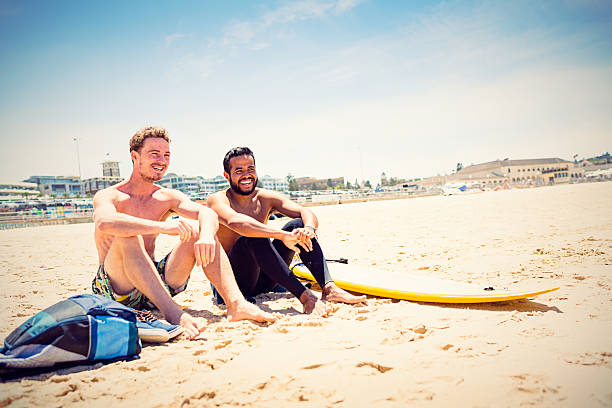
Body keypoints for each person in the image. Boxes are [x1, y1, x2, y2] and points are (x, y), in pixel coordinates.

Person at [92, 127, 275, 340]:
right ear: (135, 156)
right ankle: (174, 314)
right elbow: (105, 222)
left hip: (155, 286)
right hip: (116, 289)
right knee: (129, 236)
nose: (162, 160)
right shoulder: (110, 195)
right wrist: (162, 227)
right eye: (154, 154)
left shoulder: (165, 197)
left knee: (200, 228)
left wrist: (206, 235)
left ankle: (237, 305)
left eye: (166, 155)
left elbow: (206, 212)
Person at [207, 147, 366, 315]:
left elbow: (305, 212)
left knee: (297, 225)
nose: (246, 175)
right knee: (255, 236)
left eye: (250, 169)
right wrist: (281, 235)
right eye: (239, 171)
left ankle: (329, 288)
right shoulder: (217, 200)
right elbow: (236, 222)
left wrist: (308, 229)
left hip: (264, 278)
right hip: (233, 282)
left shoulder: (265, 197)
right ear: (227, 176)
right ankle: (306, 297)